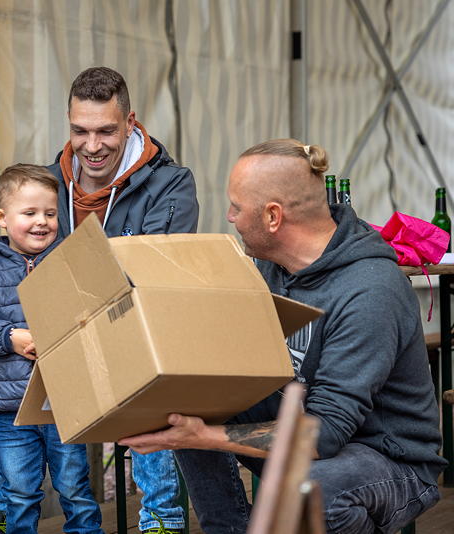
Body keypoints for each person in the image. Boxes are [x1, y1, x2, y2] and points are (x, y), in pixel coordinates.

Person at [120, 139, 446, 533]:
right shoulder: (272, 267)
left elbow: (323, 434)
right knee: (186, 400)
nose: (229, 217)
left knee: (310, 491)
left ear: (273, 217)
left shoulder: (370, 291)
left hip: (387, 459)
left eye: (237, 208)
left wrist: (207, 436)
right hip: (303, 427)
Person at [0, 66, 199, 534]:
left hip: (131, 328)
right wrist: (9, 330)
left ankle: (161, 519)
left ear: (130, 122)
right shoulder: (48, 183)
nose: (92, 146)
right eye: (80, 131)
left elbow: (155, 270)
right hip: (57, 337)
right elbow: (13, 262)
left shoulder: (169, 183)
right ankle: (0, 510)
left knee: (152, 373)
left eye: (106, 131)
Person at [0, 164, 103, 534]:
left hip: (65, 403)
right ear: (3, 218)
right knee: (19, 491)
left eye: (50, 214)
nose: (42, 222)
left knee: (75, 487)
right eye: (30, 213)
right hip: (11, 409)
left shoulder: (69, 262)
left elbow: (96, 305)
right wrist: (9, 338)